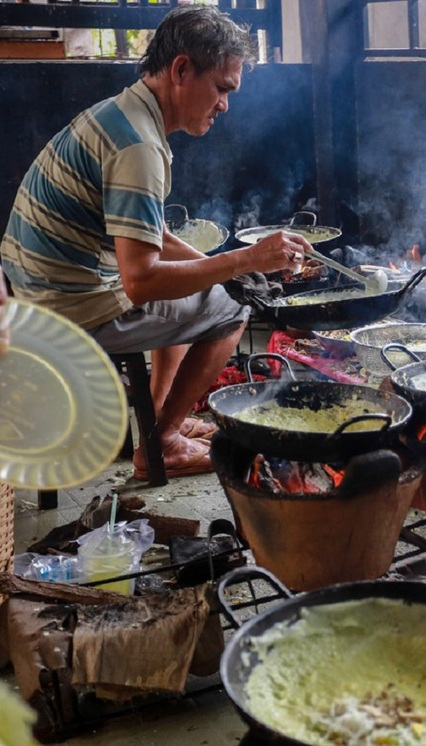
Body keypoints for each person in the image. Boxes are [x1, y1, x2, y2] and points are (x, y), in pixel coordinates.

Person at [0, 6, 311, 480]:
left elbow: (152, 237)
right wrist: (244, 259)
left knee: (210, 287)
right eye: (222, 88)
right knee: (231, 313)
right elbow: (142, 281)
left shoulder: (120, 113)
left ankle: (159, 416)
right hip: (64, 310)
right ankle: (161, 443)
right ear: (181, 69)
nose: (225, 105)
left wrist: (234, 268)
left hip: (33, 291)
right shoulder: (138, 147)